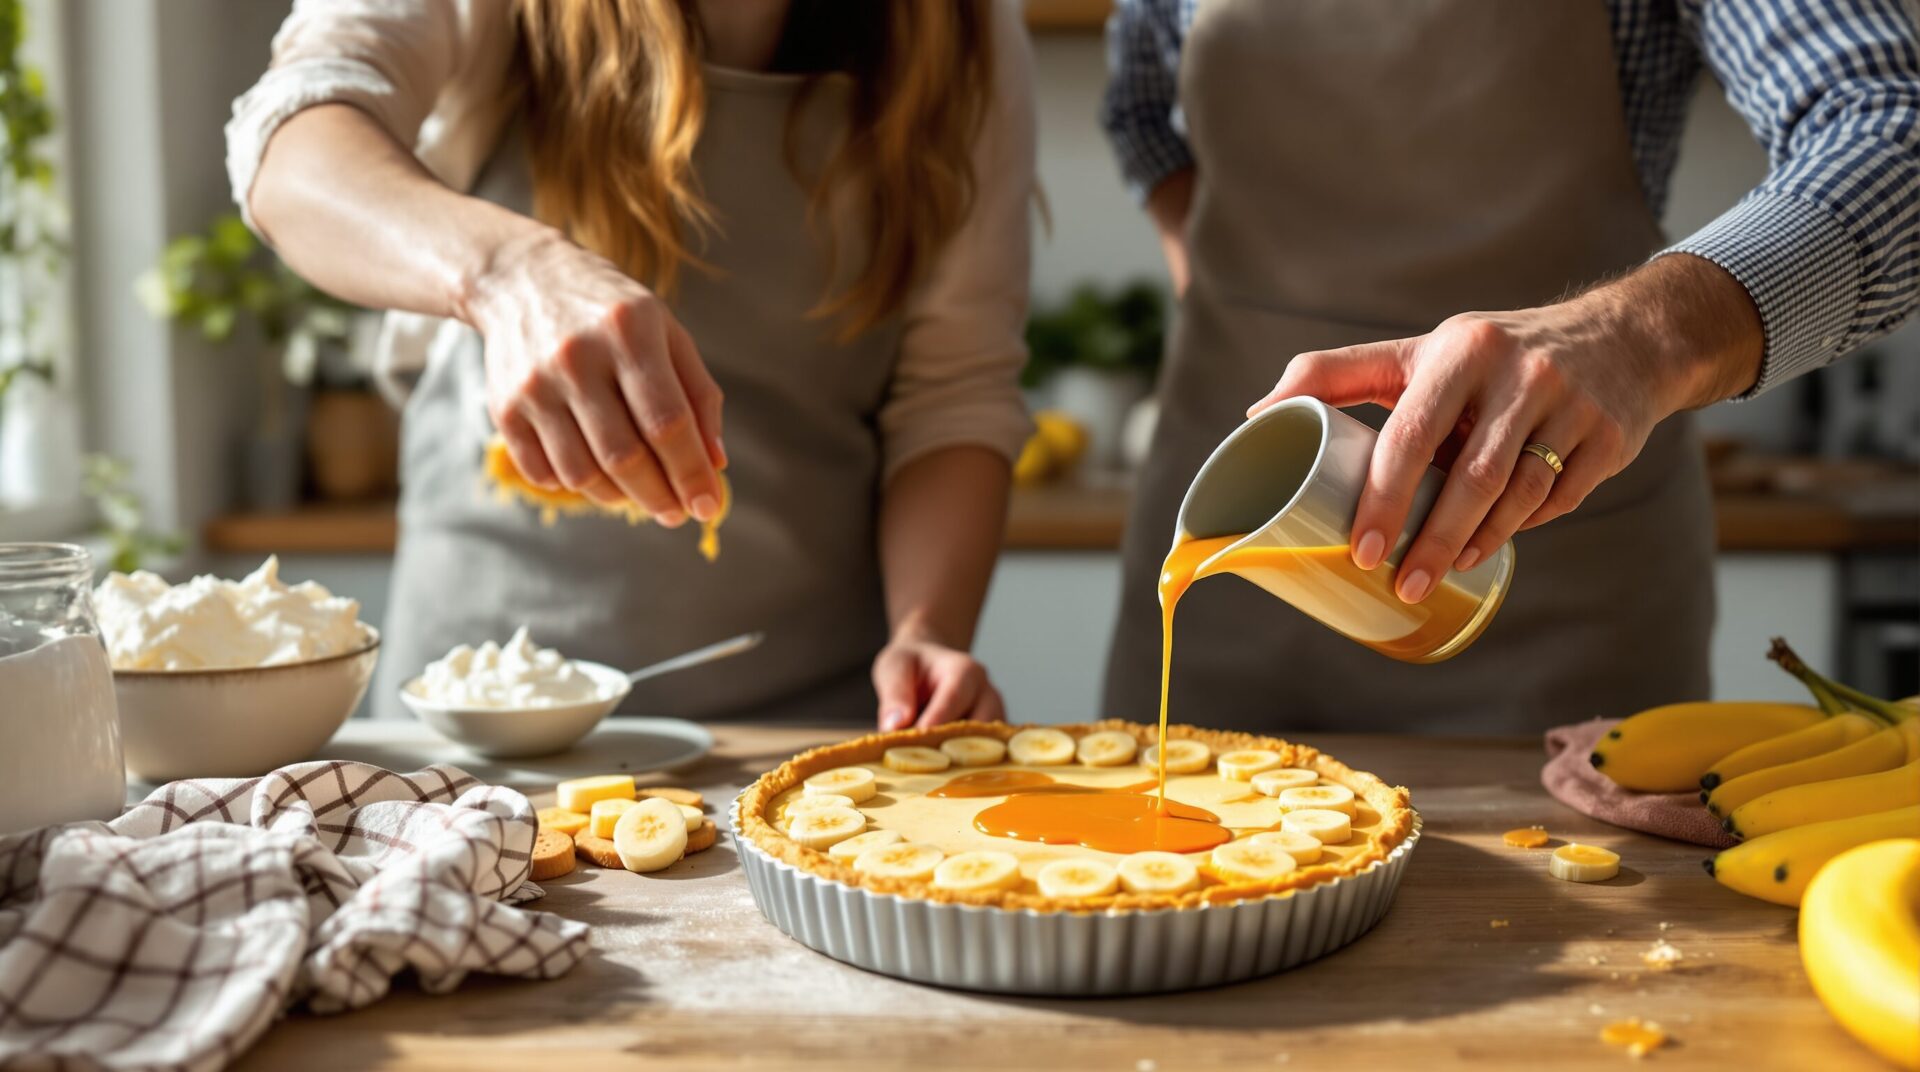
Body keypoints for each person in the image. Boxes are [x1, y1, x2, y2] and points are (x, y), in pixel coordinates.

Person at [1100, 0, 1919, 732]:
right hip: (1227, 577)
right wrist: (1244, 303)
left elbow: (1891, 131)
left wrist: (1630, 340)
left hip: (1558, 595)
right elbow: (1140, 116)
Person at [228, 0, 1036, 727]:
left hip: (809, 711)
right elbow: (292, 144)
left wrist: (925, 634)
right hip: (481, 704)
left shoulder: (967, 28)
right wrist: (506, 271)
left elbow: (952, 396)